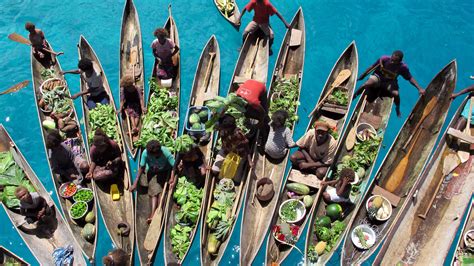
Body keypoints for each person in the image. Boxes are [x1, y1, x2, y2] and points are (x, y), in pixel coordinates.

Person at [353, 50, 425, 117]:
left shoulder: (403, 67)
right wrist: (362, 75)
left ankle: (397, 108)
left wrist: (419, 88)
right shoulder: (384, 59)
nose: (392, 62)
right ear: (391, 56)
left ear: (400, 61)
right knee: (366, 84)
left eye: (395, 61)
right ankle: (354, 95)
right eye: (392, 59)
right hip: (378, 77)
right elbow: (372, 67)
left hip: (389, 81)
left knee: (396, 94)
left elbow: (410, 78)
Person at [129, 140, 175, 223]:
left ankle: (159, 210)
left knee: (161, 192)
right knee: (153, 192)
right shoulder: (145, 153)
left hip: (164, 172)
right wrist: (135, 183)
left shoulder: (165, 152)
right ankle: (153, 213)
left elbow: (174, 167)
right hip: (152, 172)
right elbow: (141, 167)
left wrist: (172, 178)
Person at [211, 114, 253, 180]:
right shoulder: (222, 129)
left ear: (229, 128)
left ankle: (242, 164)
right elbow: (214, 124)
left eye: (223, 127)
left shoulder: (238, 134)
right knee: (214, 171)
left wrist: (250, 161)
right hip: (226, 150)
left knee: (236, 179)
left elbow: (246, 146)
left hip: (238, 154)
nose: (221, 128)